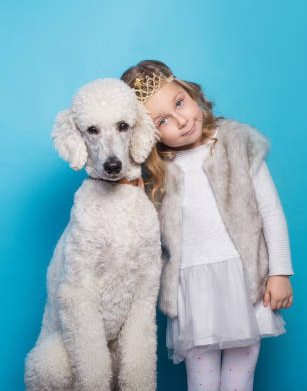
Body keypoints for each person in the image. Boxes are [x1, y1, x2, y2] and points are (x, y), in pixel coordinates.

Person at [121, 60, 294, 391]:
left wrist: (280, 272)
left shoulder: (236, 145)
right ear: (150, 134)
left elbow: (270, 210)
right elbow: (142, 237)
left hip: (246, 281)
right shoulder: (157, 172)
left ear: (188, 90)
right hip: (192, 290)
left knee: (238, 381)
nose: (182, 120)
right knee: (202, 383)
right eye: (163, 121)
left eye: (179, 103)